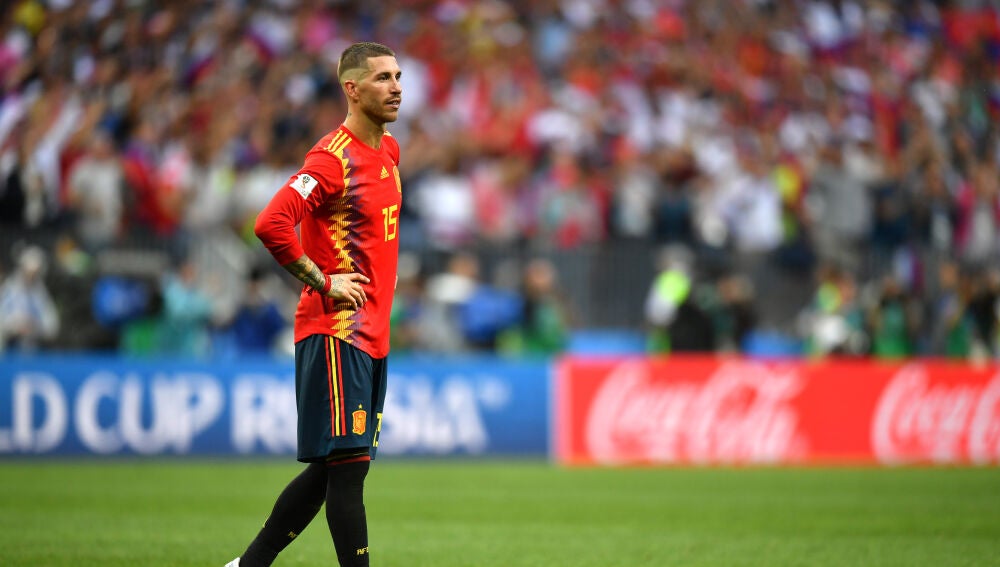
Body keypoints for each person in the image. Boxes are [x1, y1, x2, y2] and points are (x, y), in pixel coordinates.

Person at [226, 42, 403, 567]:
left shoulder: (389, 152)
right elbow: (271, 222)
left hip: (372, 335)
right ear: (352, 89)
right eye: (382, 78)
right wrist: (323, 281)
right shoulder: (331, 158)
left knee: (337, 467)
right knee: (348, 469)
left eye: (398, 76)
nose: (396, 87)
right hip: (337, 330)